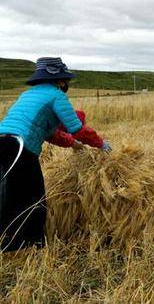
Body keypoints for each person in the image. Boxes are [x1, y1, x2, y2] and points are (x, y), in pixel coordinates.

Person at [0, 57, 111, 252]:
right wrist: (101, 144)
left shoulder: (28, 94)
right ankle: (29, 245)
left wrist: (74, 145)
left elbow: (52, 134)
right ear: (60, 80)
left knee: (9, 193)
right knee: (33, 198)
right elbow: (78, 129)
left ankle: (13, 243)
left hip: (4, 141)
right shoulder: (56, 95)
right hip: (19, 147)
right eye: (65, 80)